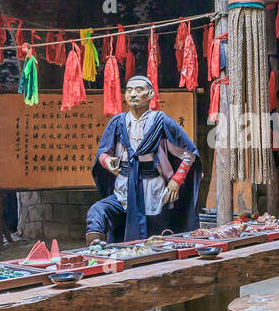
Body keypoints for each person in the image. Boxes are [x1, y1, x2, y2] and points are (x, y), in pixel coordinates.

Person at [86, 75, 200, 244]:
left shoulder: (161, 122)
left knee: (153, 236)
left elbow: (189, 152)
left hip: (153, 189)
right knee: (98, 211)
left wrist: (177, 179)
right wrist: (107, 162)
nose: (133, 94)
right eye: (129, 90)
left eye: (139, 90)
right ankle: (95, 250)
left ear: (151, 94)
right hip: (123, 189)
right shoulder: (118, 122)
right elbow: (103, 154)